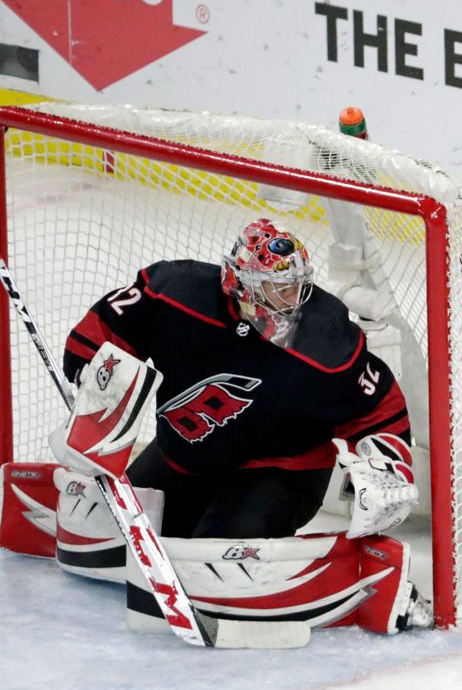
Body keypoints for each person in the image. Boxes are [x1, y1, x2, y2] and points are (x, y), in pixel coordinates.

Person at [60, 217, 416, 540]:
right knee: (112, 531)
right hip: (186, 457)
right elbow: (111, 324)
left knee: (217, 551)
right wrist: (92, 376)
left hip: (281, 470)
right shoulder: (176, 294)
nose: (293, 300)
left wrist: (384, 469)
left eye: (296, 286)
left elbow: (379, 406)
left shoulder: (324, 338)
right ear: (239, 283)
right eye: (278, 287)